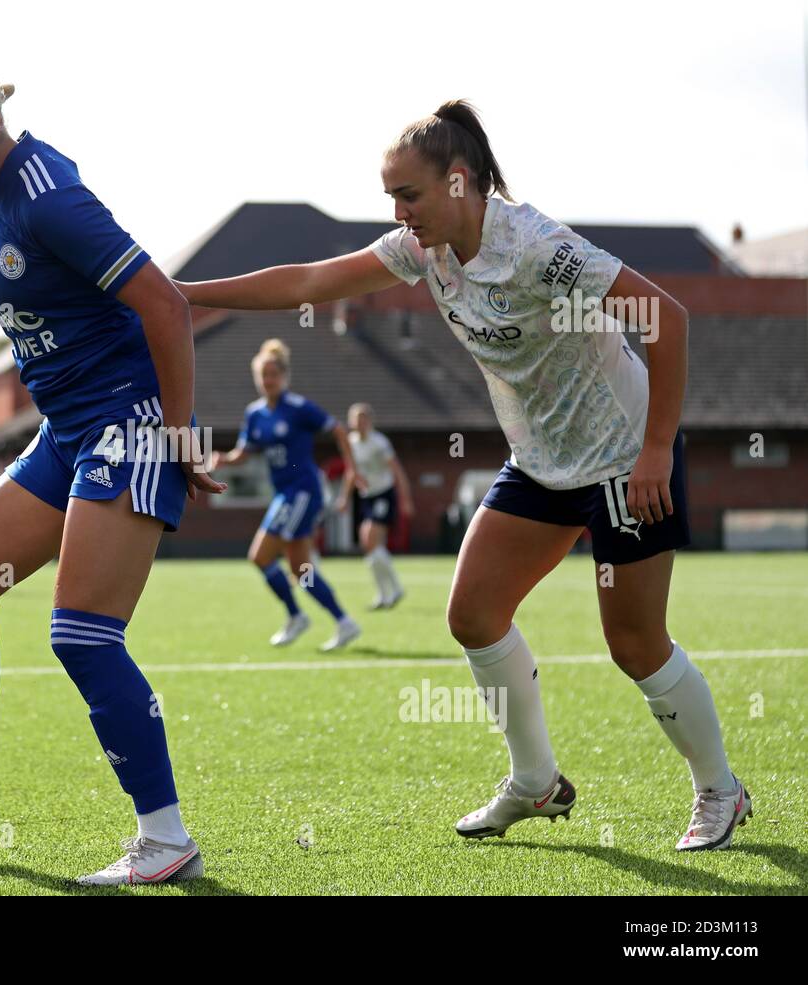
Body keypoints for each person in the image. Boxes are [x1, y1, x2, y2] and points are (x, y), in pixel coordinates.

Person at [176, 101, 749, 851]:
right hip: (541, 462)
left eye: (406, 195)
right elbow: (311, 280)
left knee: (635, 644)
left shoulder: (539, 245)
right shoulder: (425, 248)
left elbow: (665, 318)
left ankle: (720, 792)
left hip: (621, 452)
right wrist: (182, 293)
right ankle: (536, 782)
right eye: (390, 197)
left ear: (457, 182)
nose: (396, 211)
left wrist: (655, 448)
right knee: (473, 613)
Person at [0, 55, 224, 885]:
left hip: (127, 425)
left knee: (83, 634)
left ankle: (166, 839)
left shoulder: (48, 196)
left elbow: (165, 304)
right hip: (68, 431)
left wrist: (174, 436)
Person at [208, 339, 362, 652]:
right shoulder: (255, 414)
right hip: (284, 494)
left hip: (303, 492)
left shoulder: (299, 408)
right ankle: (344, 622)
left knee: (260, 556)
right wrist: (224, 459)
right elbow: (246, 451)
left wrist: (351, 469)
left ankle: (296, 616)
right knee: (300, 570)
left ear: (284, 376)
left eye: (273, 375)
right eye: (263, 375)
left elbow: (339, 430)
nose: (268, 381)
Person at [338, 403, 414, 609]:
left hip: (384, 495)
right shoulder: (351, 443)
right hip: (368, 497)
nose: (359, 422)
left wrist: (406, 499)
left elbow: (397, 472)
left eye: (363, 418)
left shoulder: (379, 443)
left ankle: (396, 589)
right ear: (351, 422)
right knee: (368, 543)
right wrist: (344, 498)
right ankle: (383, 594)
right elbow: (350, 472)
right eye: (355, 418)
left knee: (371, 537)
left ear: (369, 421)